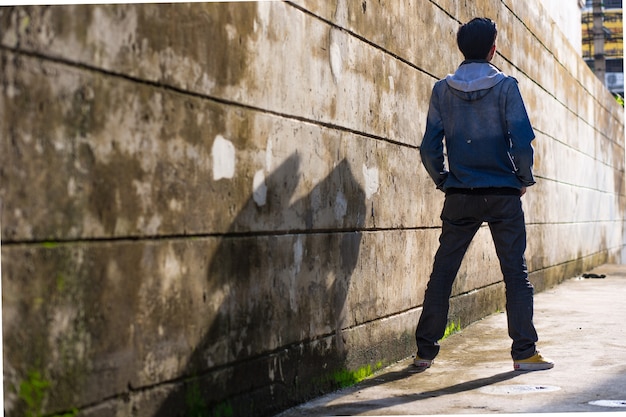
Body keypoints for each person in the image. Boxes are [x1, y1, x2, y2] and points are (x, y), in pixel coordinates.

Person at [415, 17, 553, 372]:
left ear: (463, 48)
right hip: (504, 194)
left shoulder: (442, 90)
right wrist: (523, 178)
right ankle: (524, 353)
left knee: (443, 273)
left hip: (460, 194)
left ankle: (424, 353)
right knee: (515, 274)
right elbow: (522, 142)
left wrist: (444, 180)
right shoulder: (506, 86)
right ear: (493, 48)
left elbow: (429, 148)